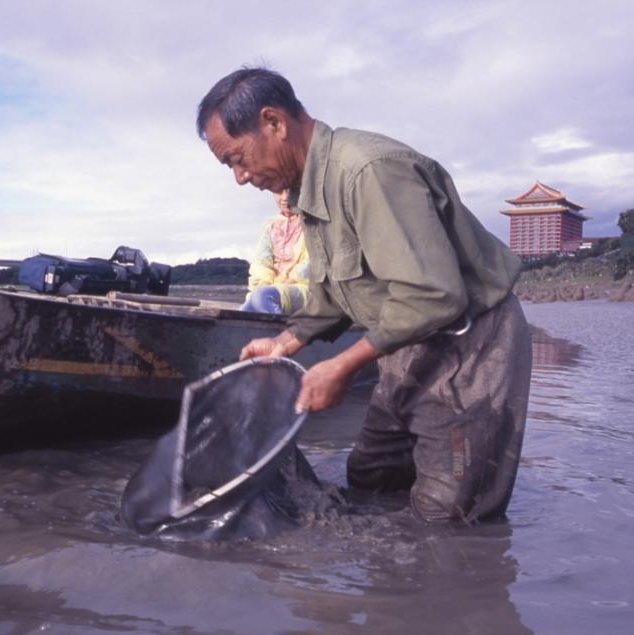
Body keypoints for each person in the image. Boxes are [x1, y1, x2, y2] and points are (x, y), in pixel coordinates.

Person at [196, 67, 532, 523]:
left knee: (451, 518)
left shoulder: (368, 172)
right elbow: (337, 289)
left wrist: (341, 366)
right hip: (404, 341)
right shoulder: (308, 192)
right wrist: (286, 341)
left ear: (273, 122)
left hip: (471, 348)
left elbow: (433, 295)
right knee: (371, 476)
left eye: (237, 159)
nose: (240, 177)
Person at [240, 189, 309, 314]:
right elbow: (262, 261)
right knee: (247, 307)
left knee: (262, 296)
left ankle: (284, 326)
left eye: (291, 191)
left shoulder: (314, 223)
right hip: (274, 288)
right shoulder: (271, 225)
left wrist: (290, 280)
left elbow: (315, 261)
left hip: (307, 287)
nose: (285, 198)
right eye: (279, 192)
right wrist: (263, 284)